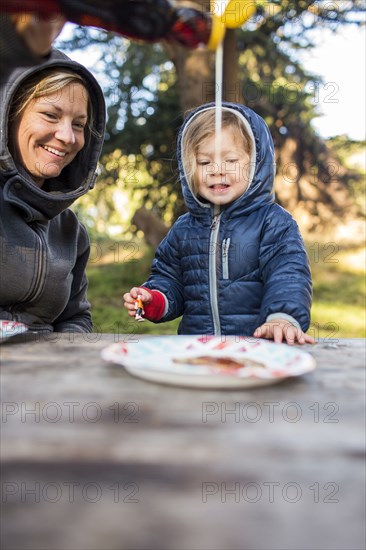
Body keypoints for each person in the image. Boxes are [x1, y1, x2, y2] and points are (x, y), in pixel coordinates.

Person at [123, 102, 314, 345]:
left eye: (231, 160)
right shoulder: (184, 229)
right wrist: (156, 298)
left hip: (258, 350)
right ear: (189, 168)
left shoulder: (274, 223)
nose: (217, 170)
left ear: (256, 164)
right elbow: (170, 278)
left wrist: (283, 318)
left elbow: (288, 274)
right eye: (204, 163)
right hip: (198, 351)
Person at [0, 52, 106, 333]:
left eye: (78, 125)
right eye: (50, 115)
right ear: (8, 116)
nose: (67, 137)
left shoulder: (72, 232)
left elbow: (77, 319)